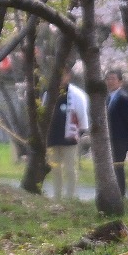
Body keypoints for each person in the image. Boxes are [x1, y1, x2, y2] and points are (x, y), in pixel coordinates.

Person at [46, 69, 90, 200]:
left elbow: (82, 116)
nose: (60, 78)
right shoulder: (48, 92)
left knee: (70, 169)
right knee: (55, 168)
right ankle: (57, 195)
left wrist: (81, 131)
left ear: (68, 76)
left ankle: (70, 196)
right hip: (52, 136)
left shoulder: (76, 94)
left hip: (70, 137)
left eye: (63, 75)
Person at [105, 68, 128, 196]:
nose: (110, 82)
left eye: (113, 79)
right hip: (109, 139)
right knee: (110, 168)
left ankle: (120, 193)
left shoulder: (124, 99)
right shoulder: (107, 98)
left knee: (118, 167)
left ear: (120, 82)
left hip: (120, 139)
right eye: (108, 79)